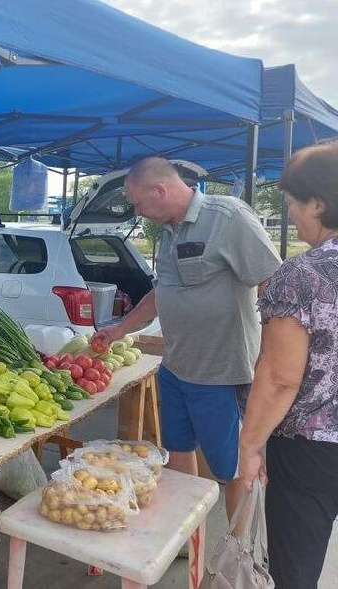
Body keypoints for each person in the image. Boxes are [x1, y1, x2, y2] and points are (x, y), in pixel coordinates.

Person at [92, 157, 280, 522]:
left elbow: (273, 282)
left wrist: (275, 358)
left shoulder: (227, 218)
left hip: (220, 372)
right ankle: (185, 531)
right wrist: (119, 329)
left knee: (233, 468)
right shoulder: (169, 232)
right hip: (176, 367)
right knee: (178, 450)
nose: (138, 212)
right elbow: (162, 294)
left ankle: (235, 551)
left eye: (138, 203)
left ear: (159, 190)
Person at [239, 142, 338, 589]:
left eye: (293, 203)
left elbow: (280, 378)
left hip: (310, 451)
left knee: (295, 570)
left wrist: (250, 445)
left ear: (318, 203)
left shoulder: (303, 275)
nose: (292, 214)